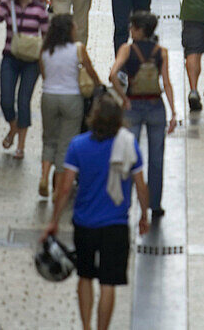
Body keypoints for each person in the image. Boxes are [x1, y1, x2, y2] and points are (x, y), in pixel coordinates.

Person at [43, 94, 149, 330]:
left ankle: (86, 327)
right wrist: (144, 215)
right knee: (108, 283)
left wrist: (54, 220)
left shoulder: (78, 145)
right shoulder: (128, 144)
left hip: (85, 223)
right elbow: (141, 186)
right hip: (116, 224)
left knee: (85, 276)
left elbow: (65, 187)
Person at [109, 11, 177, 218]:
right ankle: (154, 205)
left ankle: (126, 203)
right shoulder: (161, 51)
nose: (130, 30)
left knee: (129, 155)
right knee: (156, 158)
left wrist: (124, 98)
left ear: (140, 29)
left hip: (133, 107)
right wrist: (173, 112)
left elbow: (112, 75)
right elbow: (166, 83)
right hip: (156, 106)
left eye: (133, 27)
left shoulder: (127, 50)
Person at [39, 13, 101, 199]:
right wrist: (99, 86)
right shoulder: (78, 49)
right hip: (71, 99)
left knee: (49, 139)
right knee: (66, 143)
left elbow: (44, 75)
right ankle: (58, 188)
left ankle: (43, 176)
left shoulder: (45, 50)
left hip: (49, 96)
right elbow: (91, 73)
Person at [0, 0, 49, 158]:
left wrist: (44, 60)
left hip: (31, 62)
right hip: (10, 57)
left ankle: (21, 146)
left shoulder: (39, 9)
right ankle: (13, 128)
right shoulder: (9, 5)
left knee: (24, 101)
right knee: (6, 100)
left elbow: (46, 35)